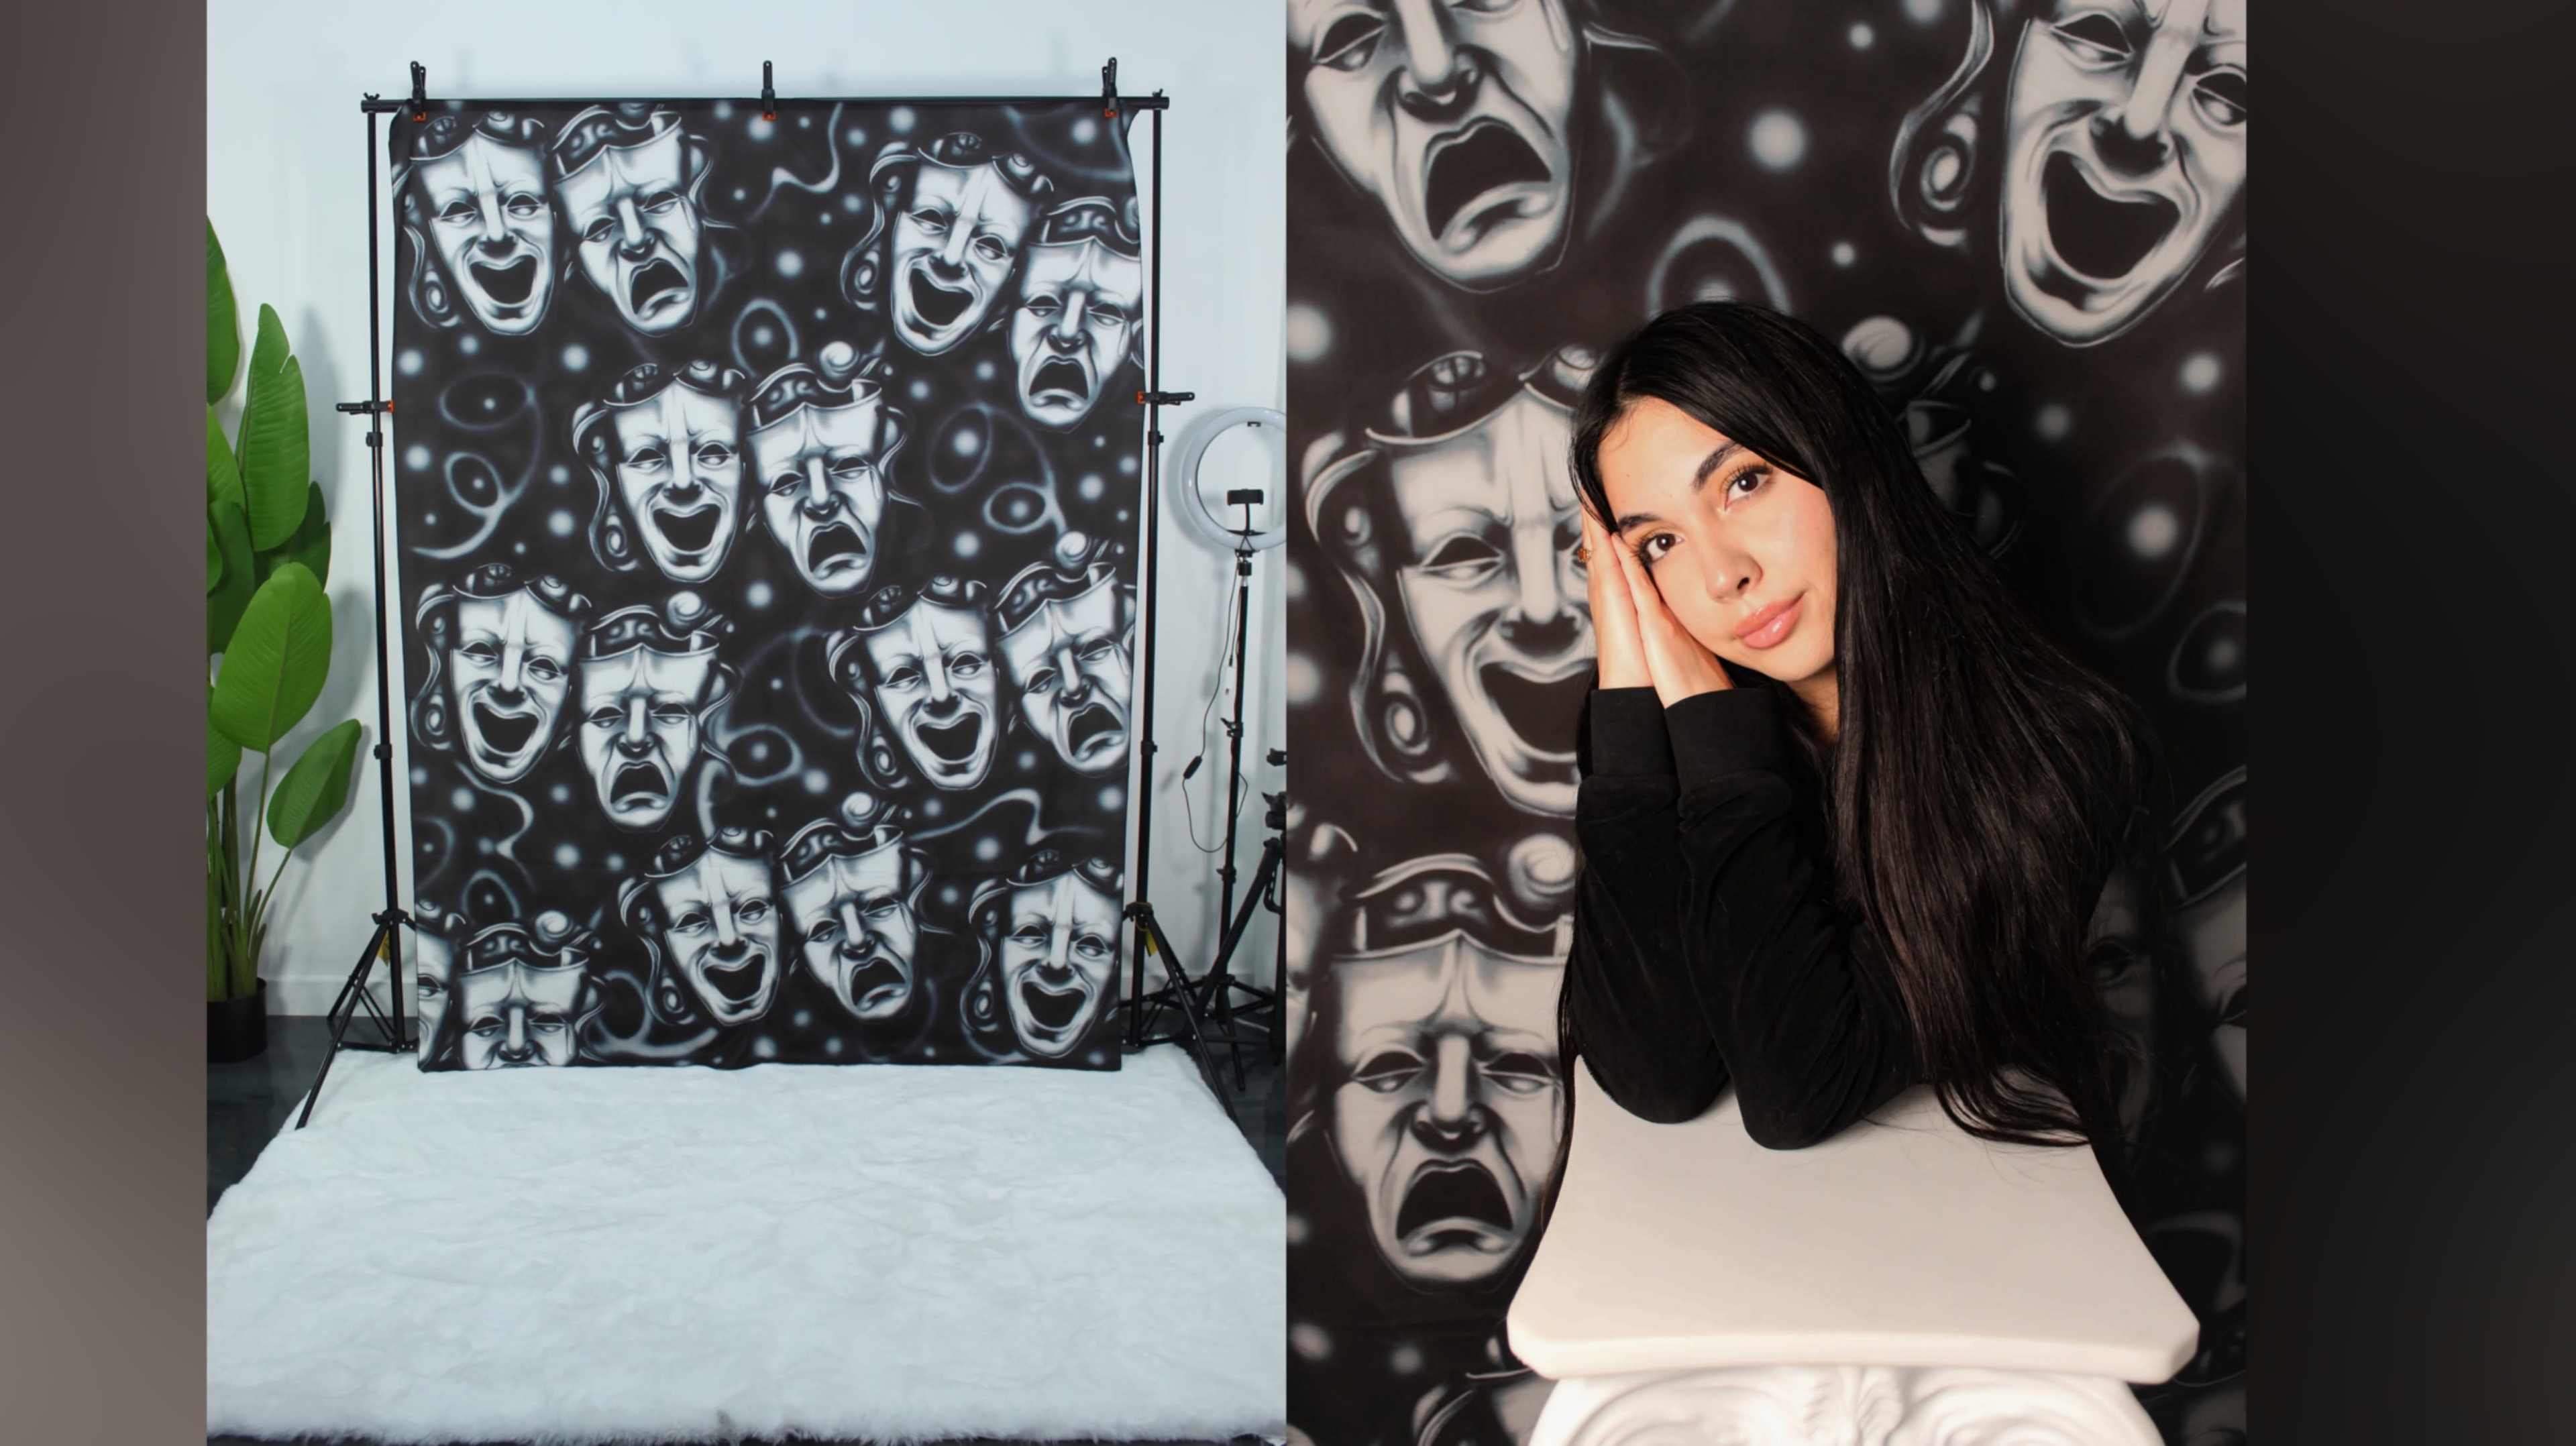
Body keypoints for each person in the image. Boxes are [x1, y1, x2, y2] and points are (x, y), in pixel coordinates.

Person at [1558, 300, 2167, 1164]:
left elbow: (1797, 1093)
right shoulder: (1700, 737)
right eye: (1657, 542)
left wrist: (1719, 753)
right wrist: (1627, 678)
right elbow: (1656, 1073)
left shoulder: (2058, 751)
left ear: (1843, 458)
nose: (1723, 573)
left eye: (1743, 482)